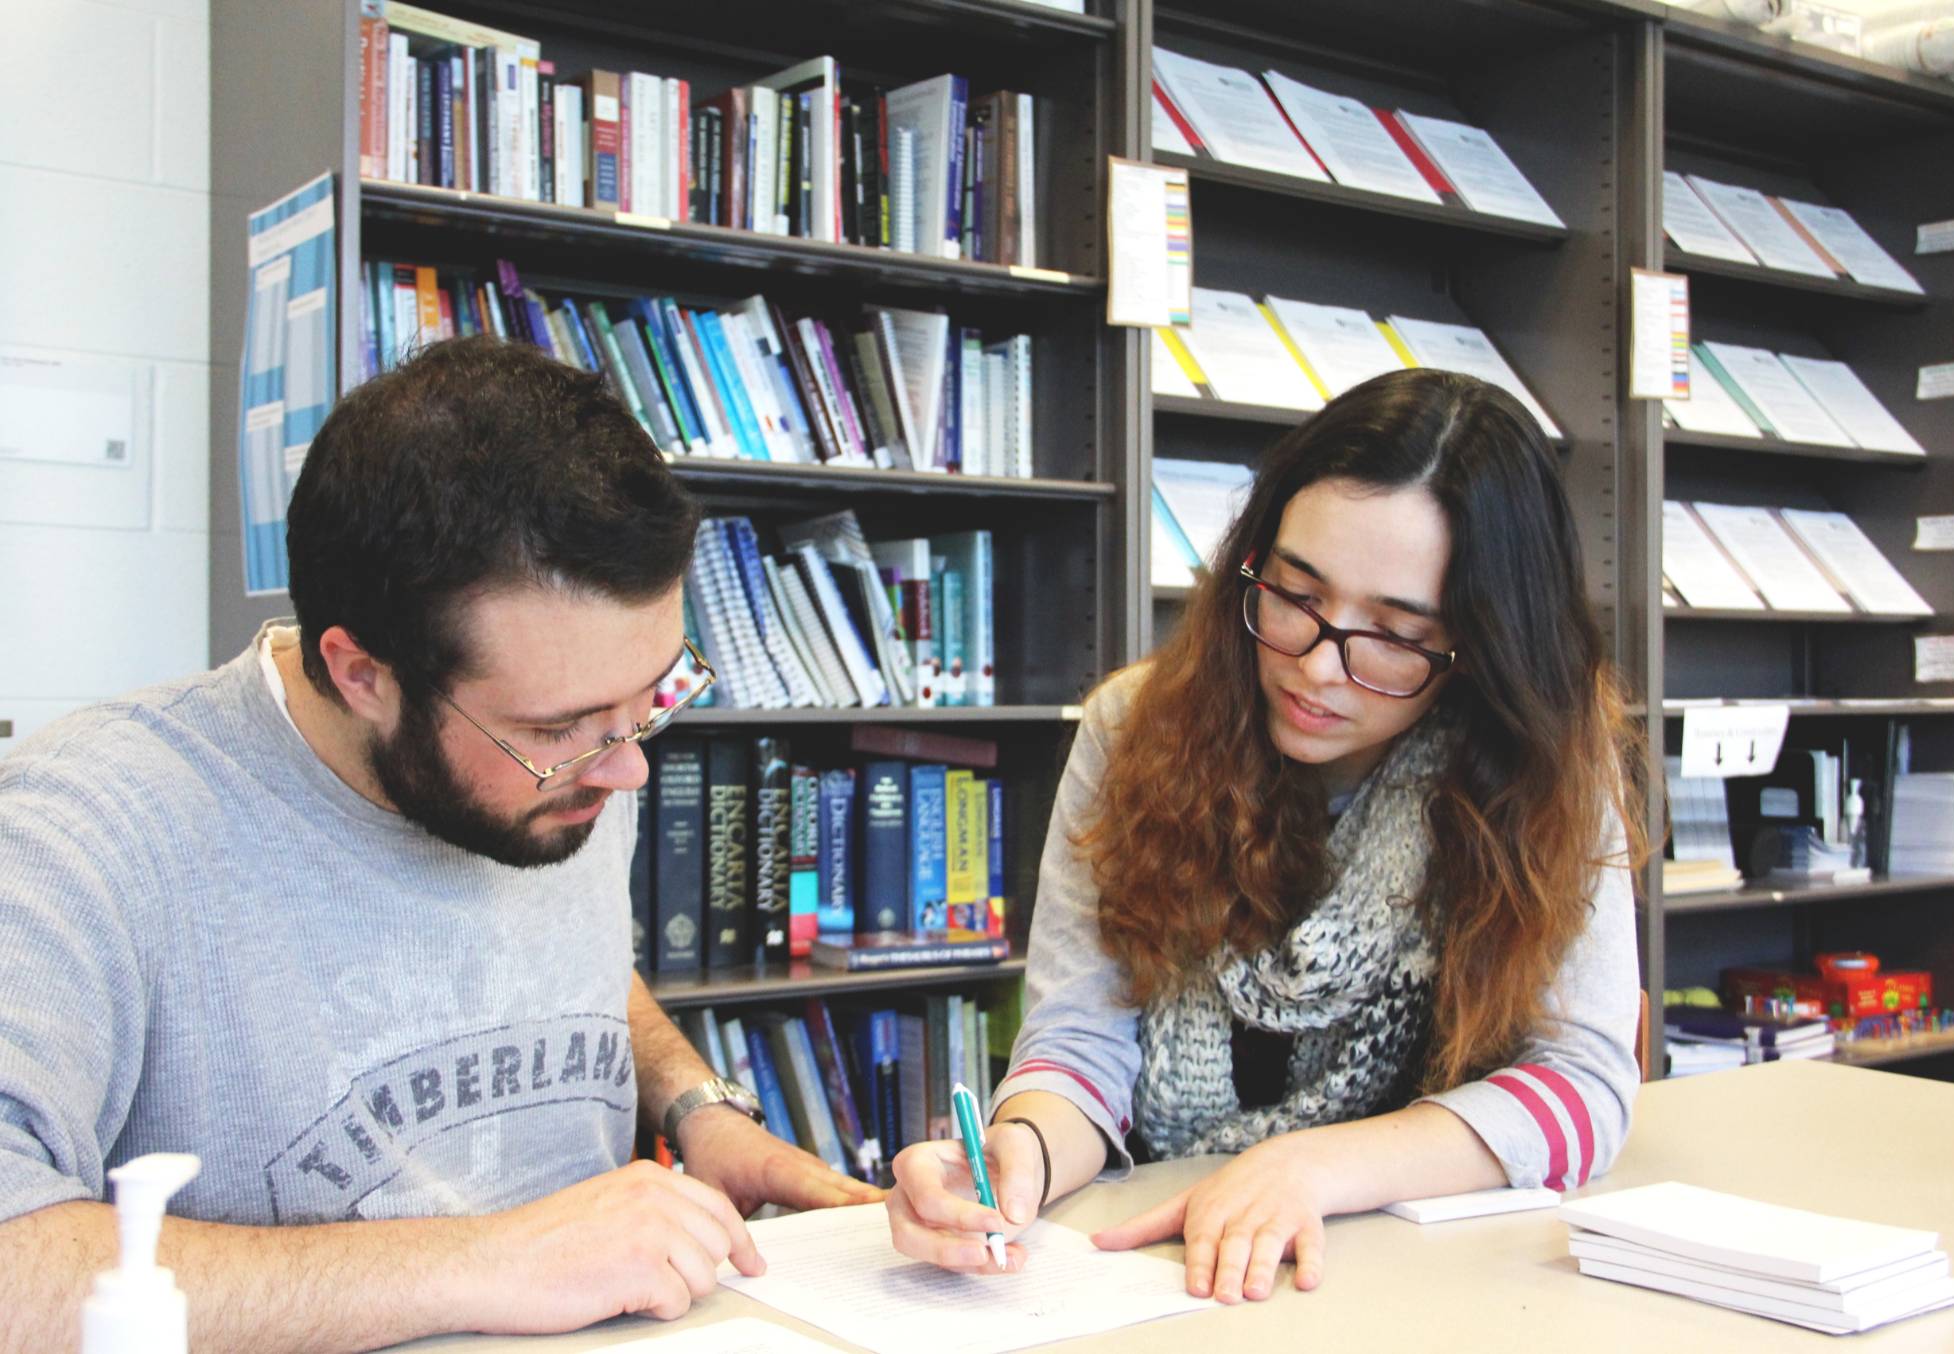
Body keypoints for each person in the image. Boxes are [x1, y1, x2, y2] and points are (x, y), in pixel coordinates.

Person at [0, 336, 877, 1352]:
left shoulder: (577, 753)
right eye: (562, 728)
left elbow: (554, 963)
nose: (627, 766)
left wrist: (695, 1107)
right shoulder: (84, 835)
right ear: (362, 673)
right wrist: (489, 1259)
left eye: (654, 698)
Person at [886, 369, 1646, 1305]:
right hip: (1172, 1278)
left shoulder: (1548, 767)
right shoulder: (1134, 731)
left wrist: (1313, 1169)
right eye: (1294, 593)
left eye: (1396, 636)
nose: (1319, 667)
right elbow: (1080, 1042)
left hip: (1436, 1290)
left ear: (1482, 651)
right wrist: (1025, 1154)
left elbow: (1584, 1088)